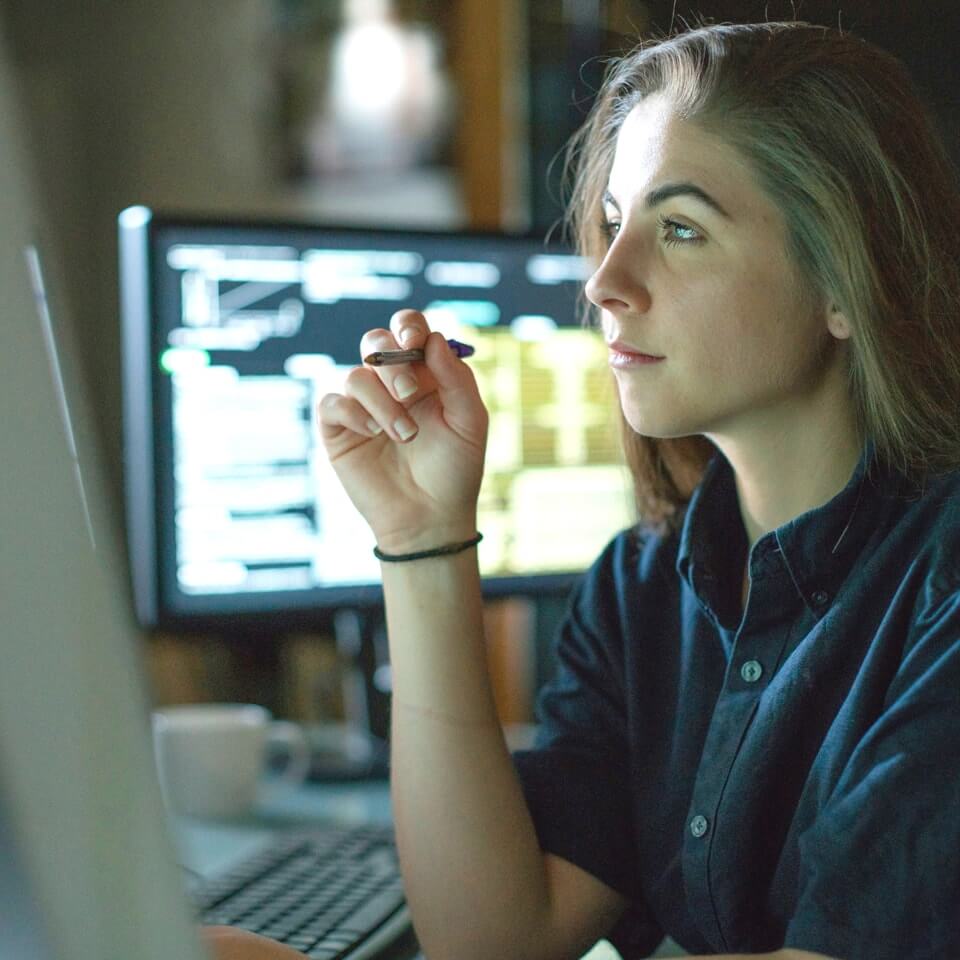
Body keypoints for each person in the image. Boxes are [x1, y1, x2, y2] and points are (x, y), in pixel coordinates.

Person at [206, 19, 960, 960]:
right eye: (613, 221)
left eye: (680, 229)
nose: (605, 280)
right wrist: (422, 535)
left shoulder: (943, 586)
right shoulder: (642, 586)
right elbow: (494, 941)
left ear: (847, 279)